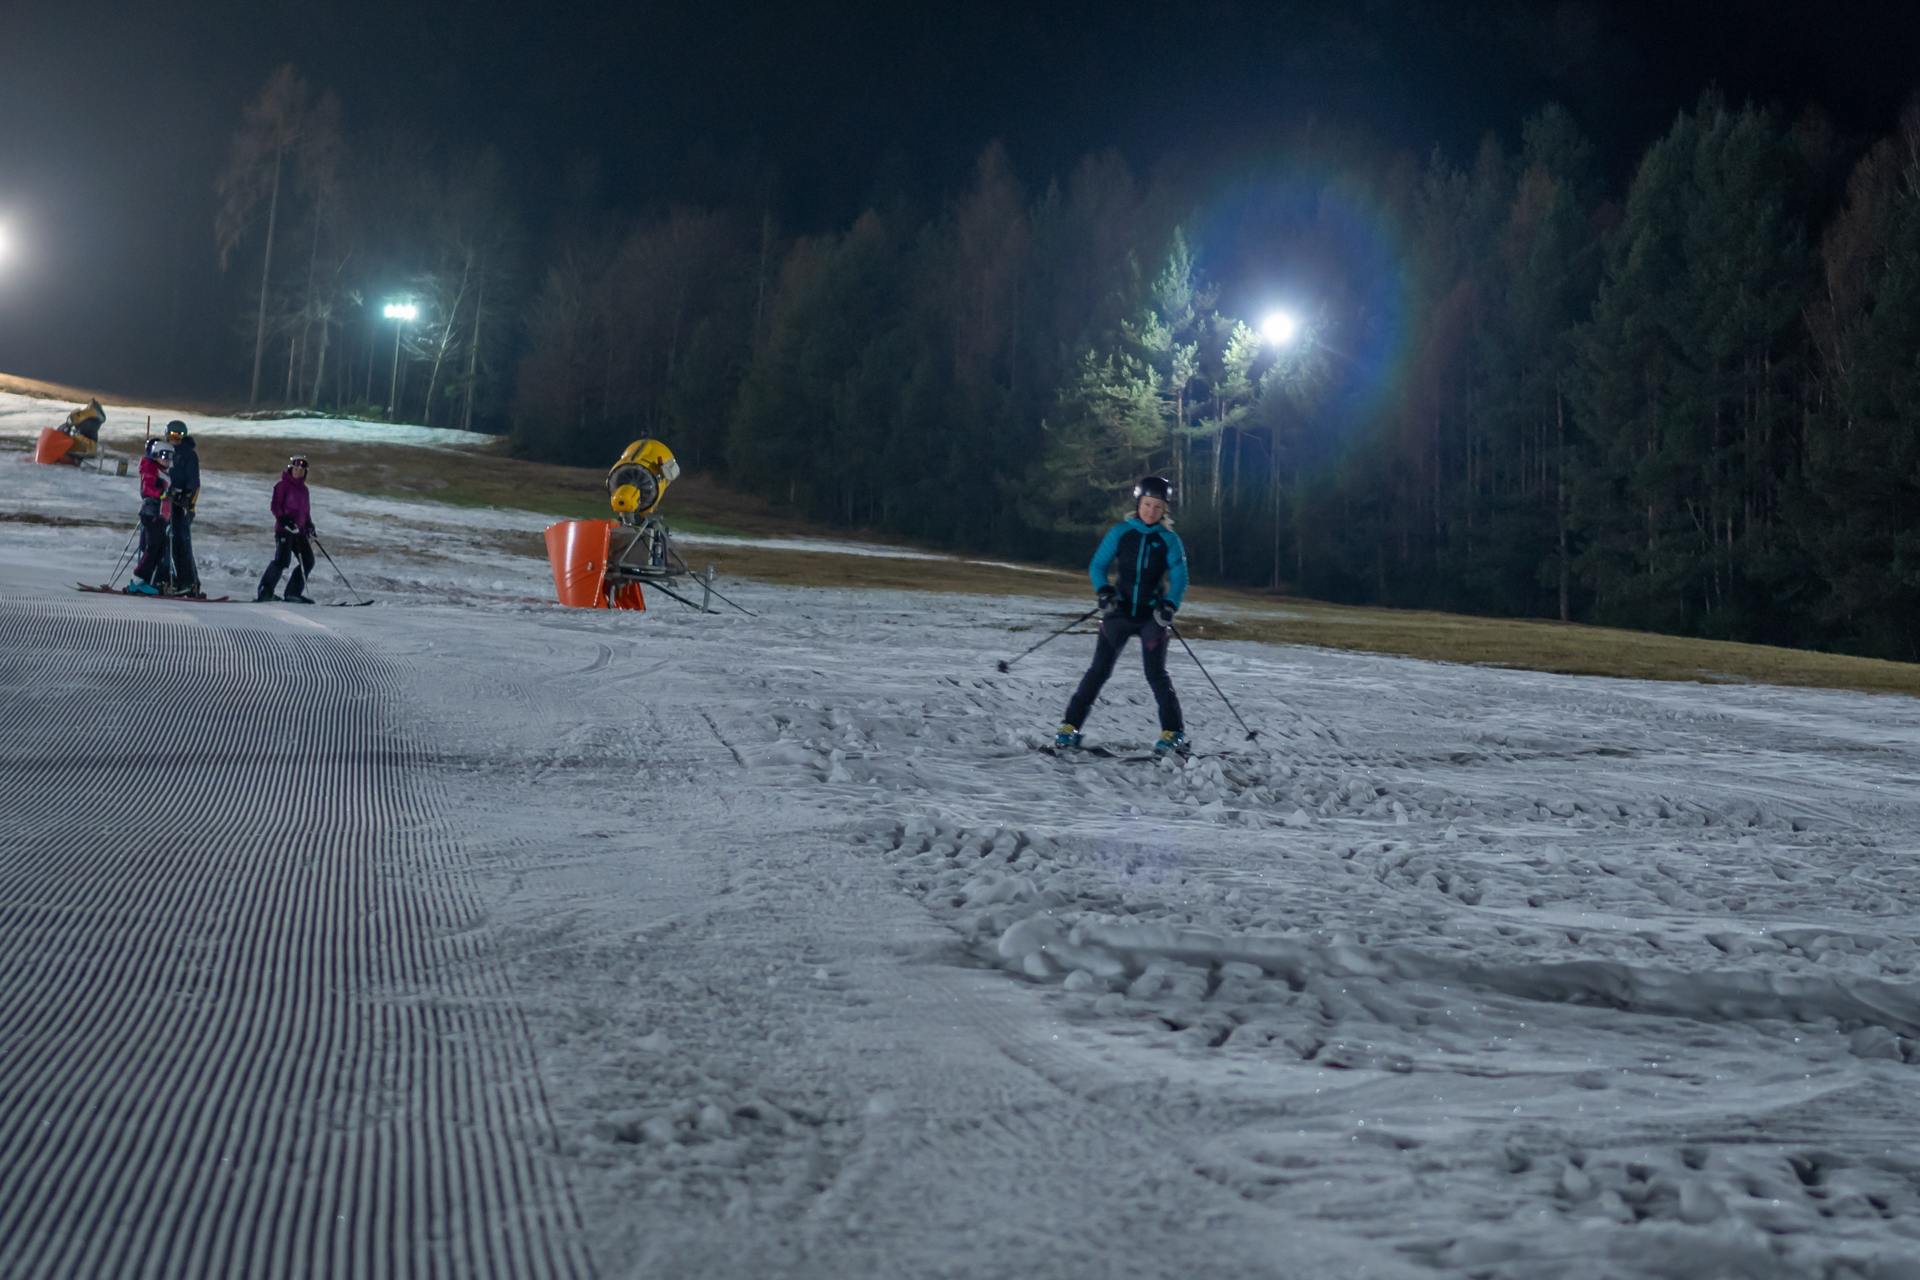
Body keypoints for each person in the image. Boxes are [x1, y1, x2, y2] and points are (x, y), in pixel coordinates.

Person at [1057, 475, 1190, 756]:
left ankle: (1173, 732)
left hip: (1151, 617)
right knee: (1098, 671)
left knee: (1155, 674)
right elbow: (1098, 565)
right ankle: (1069, 727)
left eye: (1157, 507)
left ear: (1164, 509)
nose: (1150, 511)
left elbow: (1179, 578)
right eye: (1146, 504)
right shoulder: (1121, 532)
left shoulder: (1170, 540)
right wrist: (1103, 591)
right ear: (1138, 504)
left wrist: (1170, 606)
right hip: (1118, 613)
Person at [256, 456, 316, 603]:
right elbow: (275, 506)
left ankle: (293, 593)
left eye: (302, 470)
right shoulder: (282, 486)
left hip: (299, 532)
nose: (299, 472)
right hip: (284, 530)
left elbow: (305, 512)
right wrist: (284, 520)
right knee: (282, 560)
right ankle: (265, 591)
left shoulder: (304, 490)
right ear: (291, 469)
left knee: (308, 560)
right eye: (296, 469)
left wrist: (309, 526)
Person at [125, 439, 173, 596]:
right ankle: (137, 581)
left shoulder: (162, 471)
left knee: (159, 550)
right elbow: (147, 489)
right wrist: (163, 493)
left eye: (170, 456)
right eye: (164, 455)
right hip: (152, 514)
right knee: (152, 549)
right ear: (155, 455)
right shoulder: (150, 468)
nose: (167, 459)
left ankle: (143, 581)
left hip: (161, 516)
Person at [163, 422, 203, 598]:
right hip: (166, 504)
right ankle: (169, 580)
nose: (175, 438)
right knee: (165, 542)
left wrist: (187, 498)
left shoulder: (188, 455)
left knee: (181, 543)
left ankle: (189, 582)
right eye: (172, 434)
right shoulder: (166, 453)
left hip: (182, 506)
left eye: (179, 435)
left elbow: (194, 480)